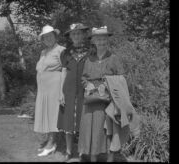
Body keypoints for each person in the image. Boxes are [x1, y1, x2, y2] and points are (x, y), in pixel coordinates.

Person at [78, 26, 125, 162]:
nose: (101, 41)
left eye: (104, 38)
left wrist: (107, 84)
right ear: (93, 41)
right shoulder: (89, 59)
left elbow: (121, 77)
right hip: (91, 101)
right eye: (98, 39)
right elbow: (83, 77)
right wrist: (88, 84)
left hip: (107, 102)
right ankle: (93, 159)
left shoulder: (114, 58)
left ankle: (109, 159)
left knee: (108, 131)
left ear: (107, 40)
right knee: (91, 130)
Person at [57, 23, 90, 161]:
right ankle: (69, 151)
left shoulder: (91, 51)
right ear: (70, 36)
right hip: (69, 90)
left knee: (83, 122)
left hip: (85, 90)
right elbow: (63, 71)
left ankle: (82, 152)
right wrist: (60, 92)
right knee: (68, 123)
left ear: (83, 35)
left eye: (79, 33)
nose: (76, 36)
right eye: (73, 33)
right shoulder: (65, 52)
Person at [34, 25, 66, 157]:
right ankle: (50, 141)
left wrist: (62, 91)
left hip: (54, 88)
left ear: (55, 36)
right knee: (46, 115)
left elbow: (65, 69)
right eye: (45, 37)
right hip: (43, 90)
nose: (47, 38)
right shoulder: (43, 52)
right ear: (43, 39)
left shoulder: (61, 50)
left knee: (53, 116)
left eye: (50, 36)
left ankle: (52, 144)